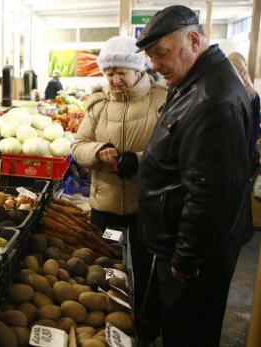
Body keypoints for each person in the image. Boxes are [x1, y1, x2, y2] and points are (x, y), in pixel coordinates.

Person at [135, 5, 257, 347]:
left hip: (194, 258)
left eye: (161, 54)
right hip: (182, 244)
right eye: (151, 57)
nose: (155, 66)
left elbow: (208, 192)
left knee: (189, 334)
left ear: (193, 40)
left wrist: (186, 260)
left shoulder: (212, 99)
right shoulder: (195, 81)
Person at [71, 35, 167, 343]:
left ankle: (144, 328)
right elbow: (77, 146)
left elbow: (173, 151)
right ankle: (105, 329)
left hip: (145, 208)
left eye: (120, 72)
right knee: (105, 269)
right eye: (109, 73)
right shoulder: (98, 105)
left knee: (145, 271)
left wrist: (138, 161)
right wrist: (98, 152)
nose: (114, 79)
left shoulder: (163, 100)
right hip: (106, 208)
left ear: (137, 69)